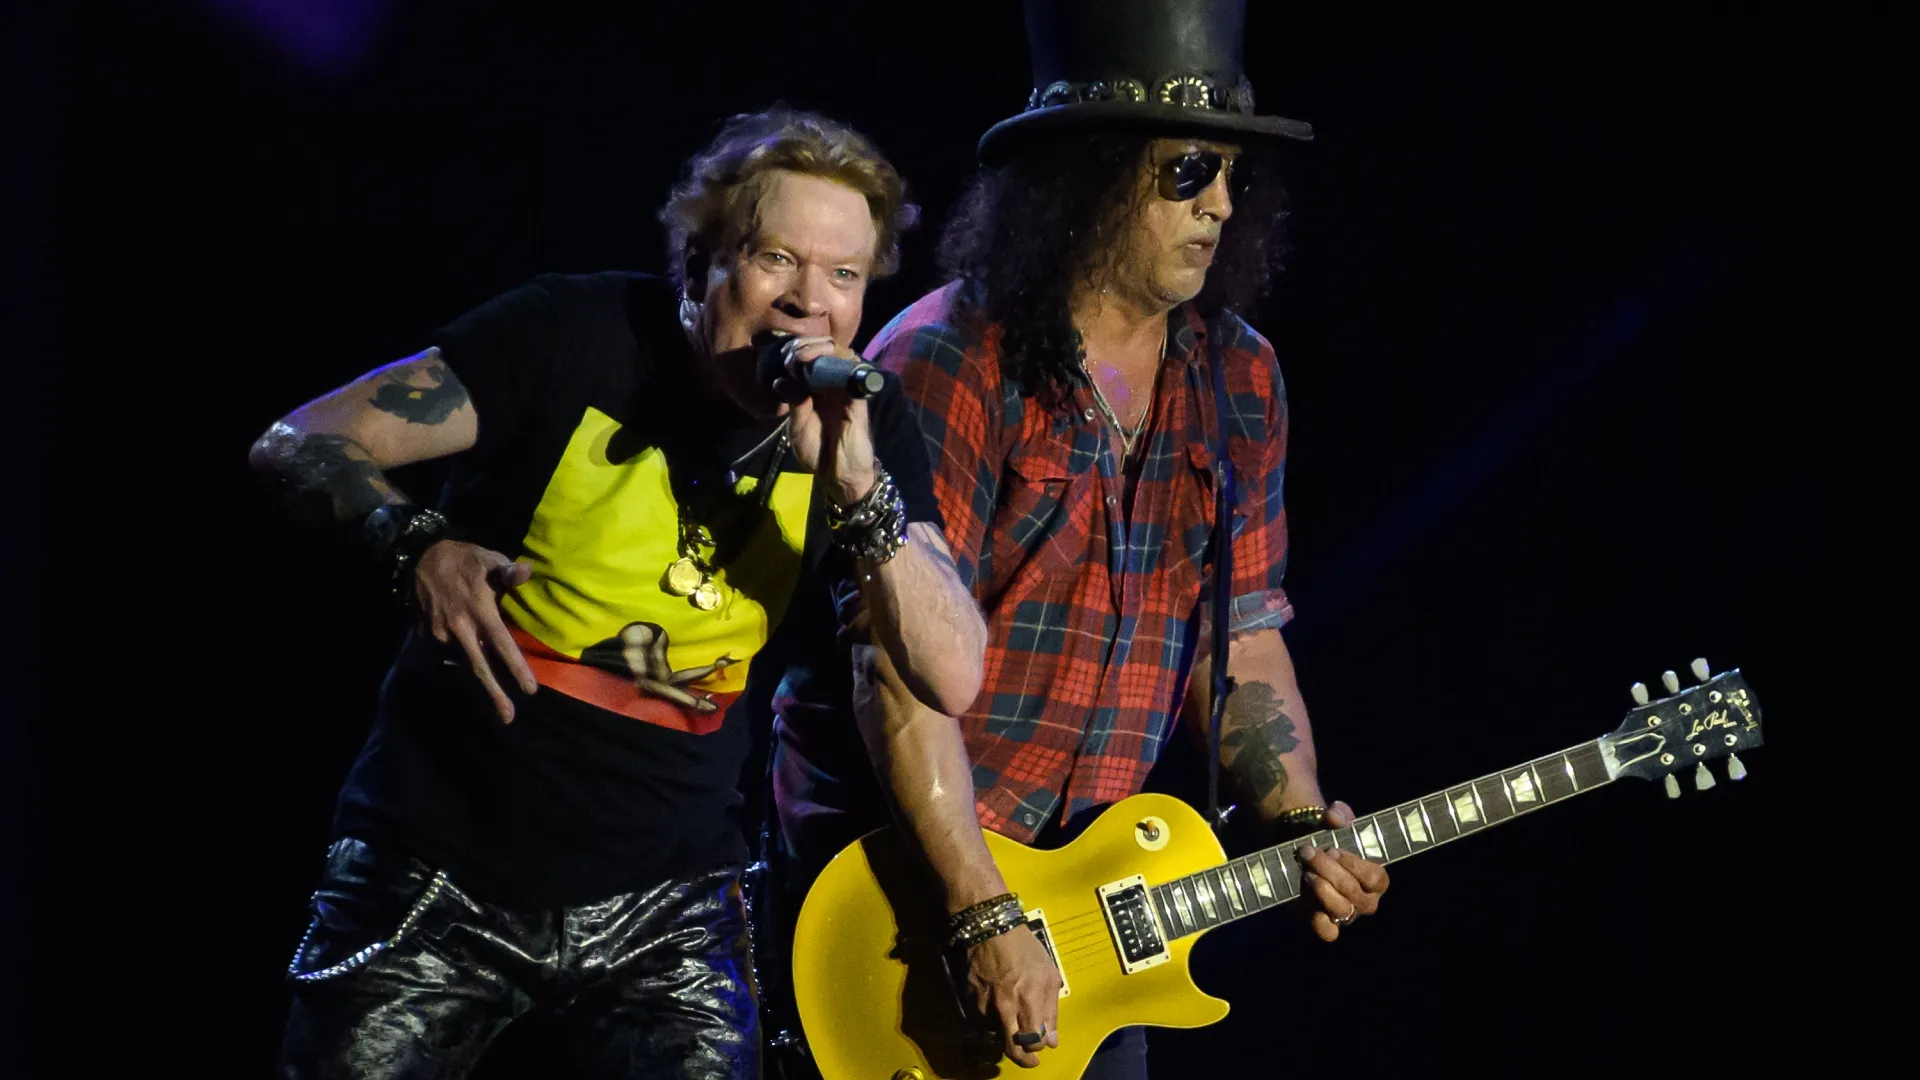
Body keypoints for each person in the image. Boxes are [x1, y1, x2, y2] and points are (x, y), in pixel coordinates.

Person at [248, 105, 985, 1080]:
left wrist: (857, 488)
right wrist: (414, 543)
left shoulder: (858, 435)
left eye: (844, 275)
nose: (811, 302)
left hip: (667, 909)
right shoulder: (571, 333)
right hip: (438, 874)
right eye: (776, 259)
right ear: (698, 266)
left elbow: (953, 674)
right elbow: (300, 441)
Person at [767, 2, 1391, 1076]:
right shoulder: (948, 358)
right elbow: (898, 672)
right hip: (896, 907)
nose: (1224, 207)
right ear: (1097, 172)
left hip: (1095, 923)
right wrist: (979, 912)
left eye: (1235, 178)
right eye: (1191, 172)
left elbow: (1239, 636)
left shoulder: (1239, 377)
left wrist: (1294, 817)